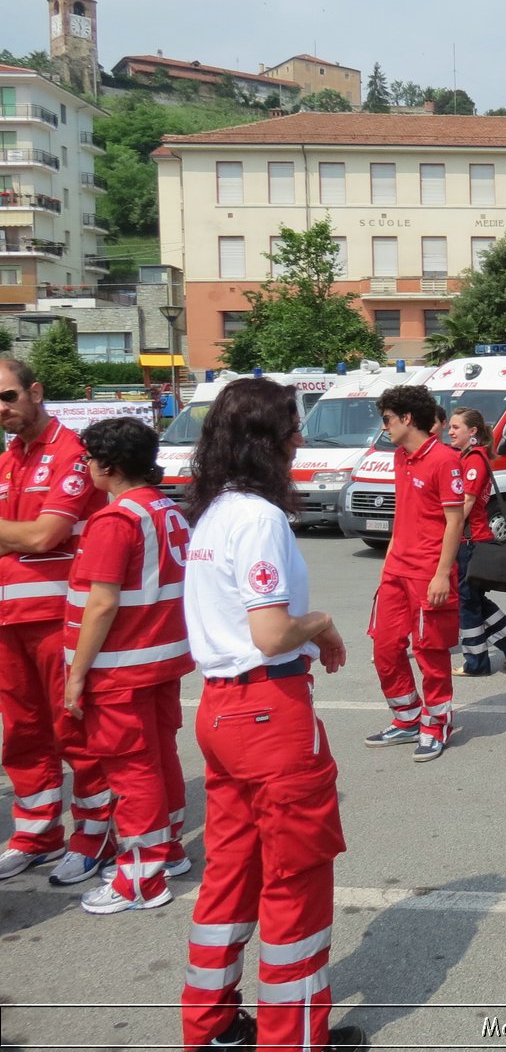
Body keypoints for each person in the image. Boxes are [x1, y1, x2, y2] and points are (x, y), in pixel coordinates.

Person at [179, 378, 365, 1052]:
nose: (301, 440)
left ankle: (210, 1022)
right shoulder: (258, 518)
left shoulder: (213, 514)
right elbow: (269, 633)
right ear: (268, 440)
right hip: (266, 710)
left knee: (230, 874)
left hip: (223, 714)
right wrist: (319, 623)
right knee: (295, 880)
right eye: (292, 428)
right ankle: (294, 1039)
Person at [63, 418, 194, 914]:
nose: (86, 467)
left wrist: (77, 673)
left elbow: (101, 604)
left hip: (119, 667)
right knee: (159, 758)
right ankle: (170, 848)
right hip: (160, 660)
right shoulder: (167, 509)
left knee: (130, 768)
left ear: (110, 465)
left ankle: (140, 876)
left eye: (89, 459)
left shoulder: (115, 520)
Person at [0, 359, 113, 885]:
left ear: (35, 391)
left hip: (55, 618)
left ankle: (95, 831)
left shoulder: (71, 451)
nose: (2, 410)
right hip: (8, 619)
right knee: (21, 732)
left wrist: (19, 534)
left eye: (8, 397)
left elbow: (45, 537)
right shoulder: (9, 458)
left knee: (73, 729)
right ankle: (36, 832)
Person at [363, 384, 464, 763]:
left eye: (387, 419)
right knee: (384, 646)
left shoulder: (444, 459)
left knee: (430, 651)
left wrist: (441, 575)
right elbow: (403, 515)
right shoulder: (400, 458)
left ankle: (437, 723)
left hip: (427, 573)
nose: (384, 427)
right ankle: (406, 718)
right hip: (397, 570)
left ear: (407, 418)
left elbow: (455, 522)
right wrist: (389, 561)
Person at [447, 408, 506, 678]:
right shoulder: (468, 457)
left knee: (467, 603)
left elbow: (466, 504)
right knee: (474, 599)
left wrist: (446, 535)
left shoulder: (474, 460)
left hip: (469, 540)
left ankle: (476, 662)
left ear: (472, 432)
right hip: (470, 538)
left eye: (455, 427)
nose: (450, 431)